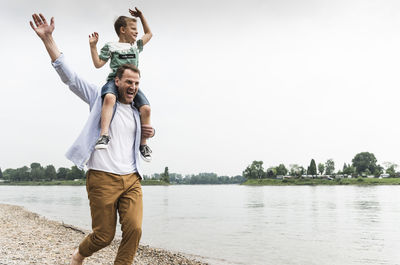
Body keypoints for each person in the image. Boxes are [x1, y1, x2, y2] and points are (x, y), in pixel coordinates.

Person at [29, 13, 155, 265]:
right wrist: (48, 40)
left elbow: (135, 137)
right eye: (128, 82)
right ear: (116, 81)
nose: (132, 87)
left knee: (135, 230)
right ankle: (79, 255)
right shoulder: (100, 99)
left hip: (131, 178)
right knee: (104, 235)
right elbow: (70, 77)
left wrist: (149, 132)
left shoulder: (136, 109)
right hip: (102, 177)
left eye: (136, 83)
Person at [89, 7, 153, 162]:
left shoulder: (135, 46)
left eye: (137, 29)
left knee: (146, 108)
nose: (137, 32)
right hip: (114, 82)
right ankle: (104, 135)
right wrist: (93, 47)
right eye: (133, 29)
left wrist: (141, 16)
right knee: (109, 98)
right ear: (122, 30)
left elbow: (149, 34)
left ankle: (143, 144)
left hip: (131, 85)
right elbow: (98, 64)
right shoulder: (111, 46)